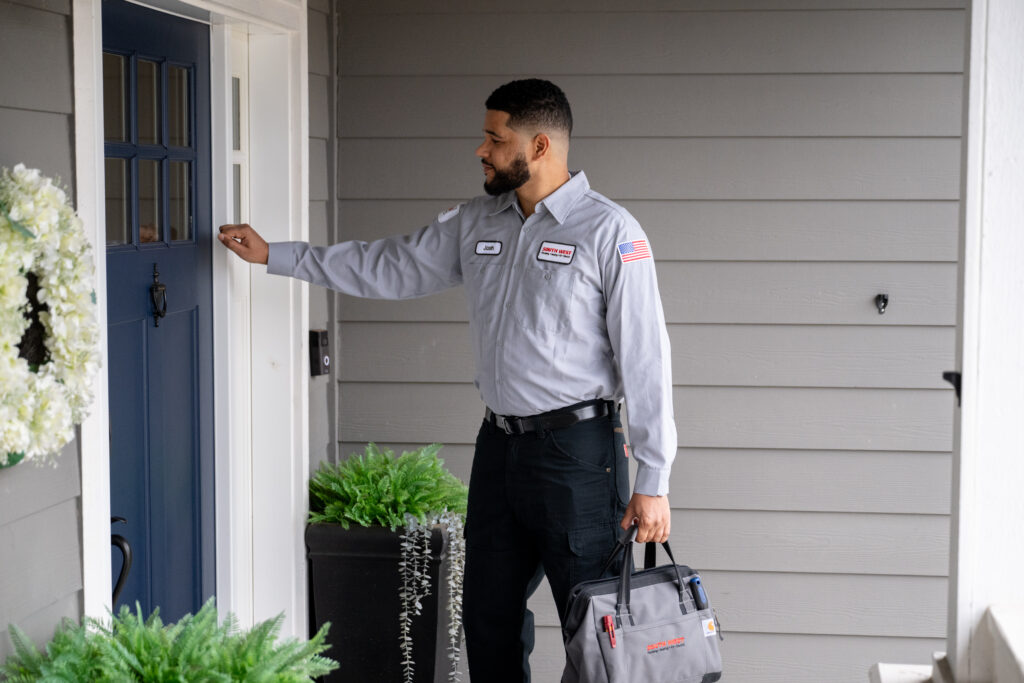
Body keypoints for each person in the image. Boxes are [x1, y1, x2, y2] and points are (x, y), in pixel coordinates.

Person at [219, 78, 676, 682]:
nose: (481, 150)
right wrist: (278, 255)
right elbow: (389, 264)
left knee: (595, 624)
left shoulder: (609, 232)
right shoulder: (475, 222)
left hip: (579, 459)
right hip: (500, 450)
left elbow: (647, 357)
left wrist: (654, 478)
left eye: (495, 138)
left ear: (540, 146)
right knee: (485, 613)